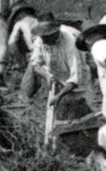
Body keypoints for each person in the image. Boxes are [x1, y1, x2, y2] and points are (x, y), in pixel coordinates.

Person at [21, 13, 98, 142]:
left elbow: (76, 78)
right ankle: (59, 142)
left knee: (84, 113)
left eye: (47, 37)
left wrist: (59, 96)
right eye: (42, 37)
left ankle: (90, 141)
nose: (44, 41)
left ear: (55, 33)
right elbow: (36, 63)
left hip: (81, 78)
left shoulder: (70, 42)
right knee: (61, 115)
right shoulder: (42, 39)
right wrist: (46, 75)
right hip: (59, 75)